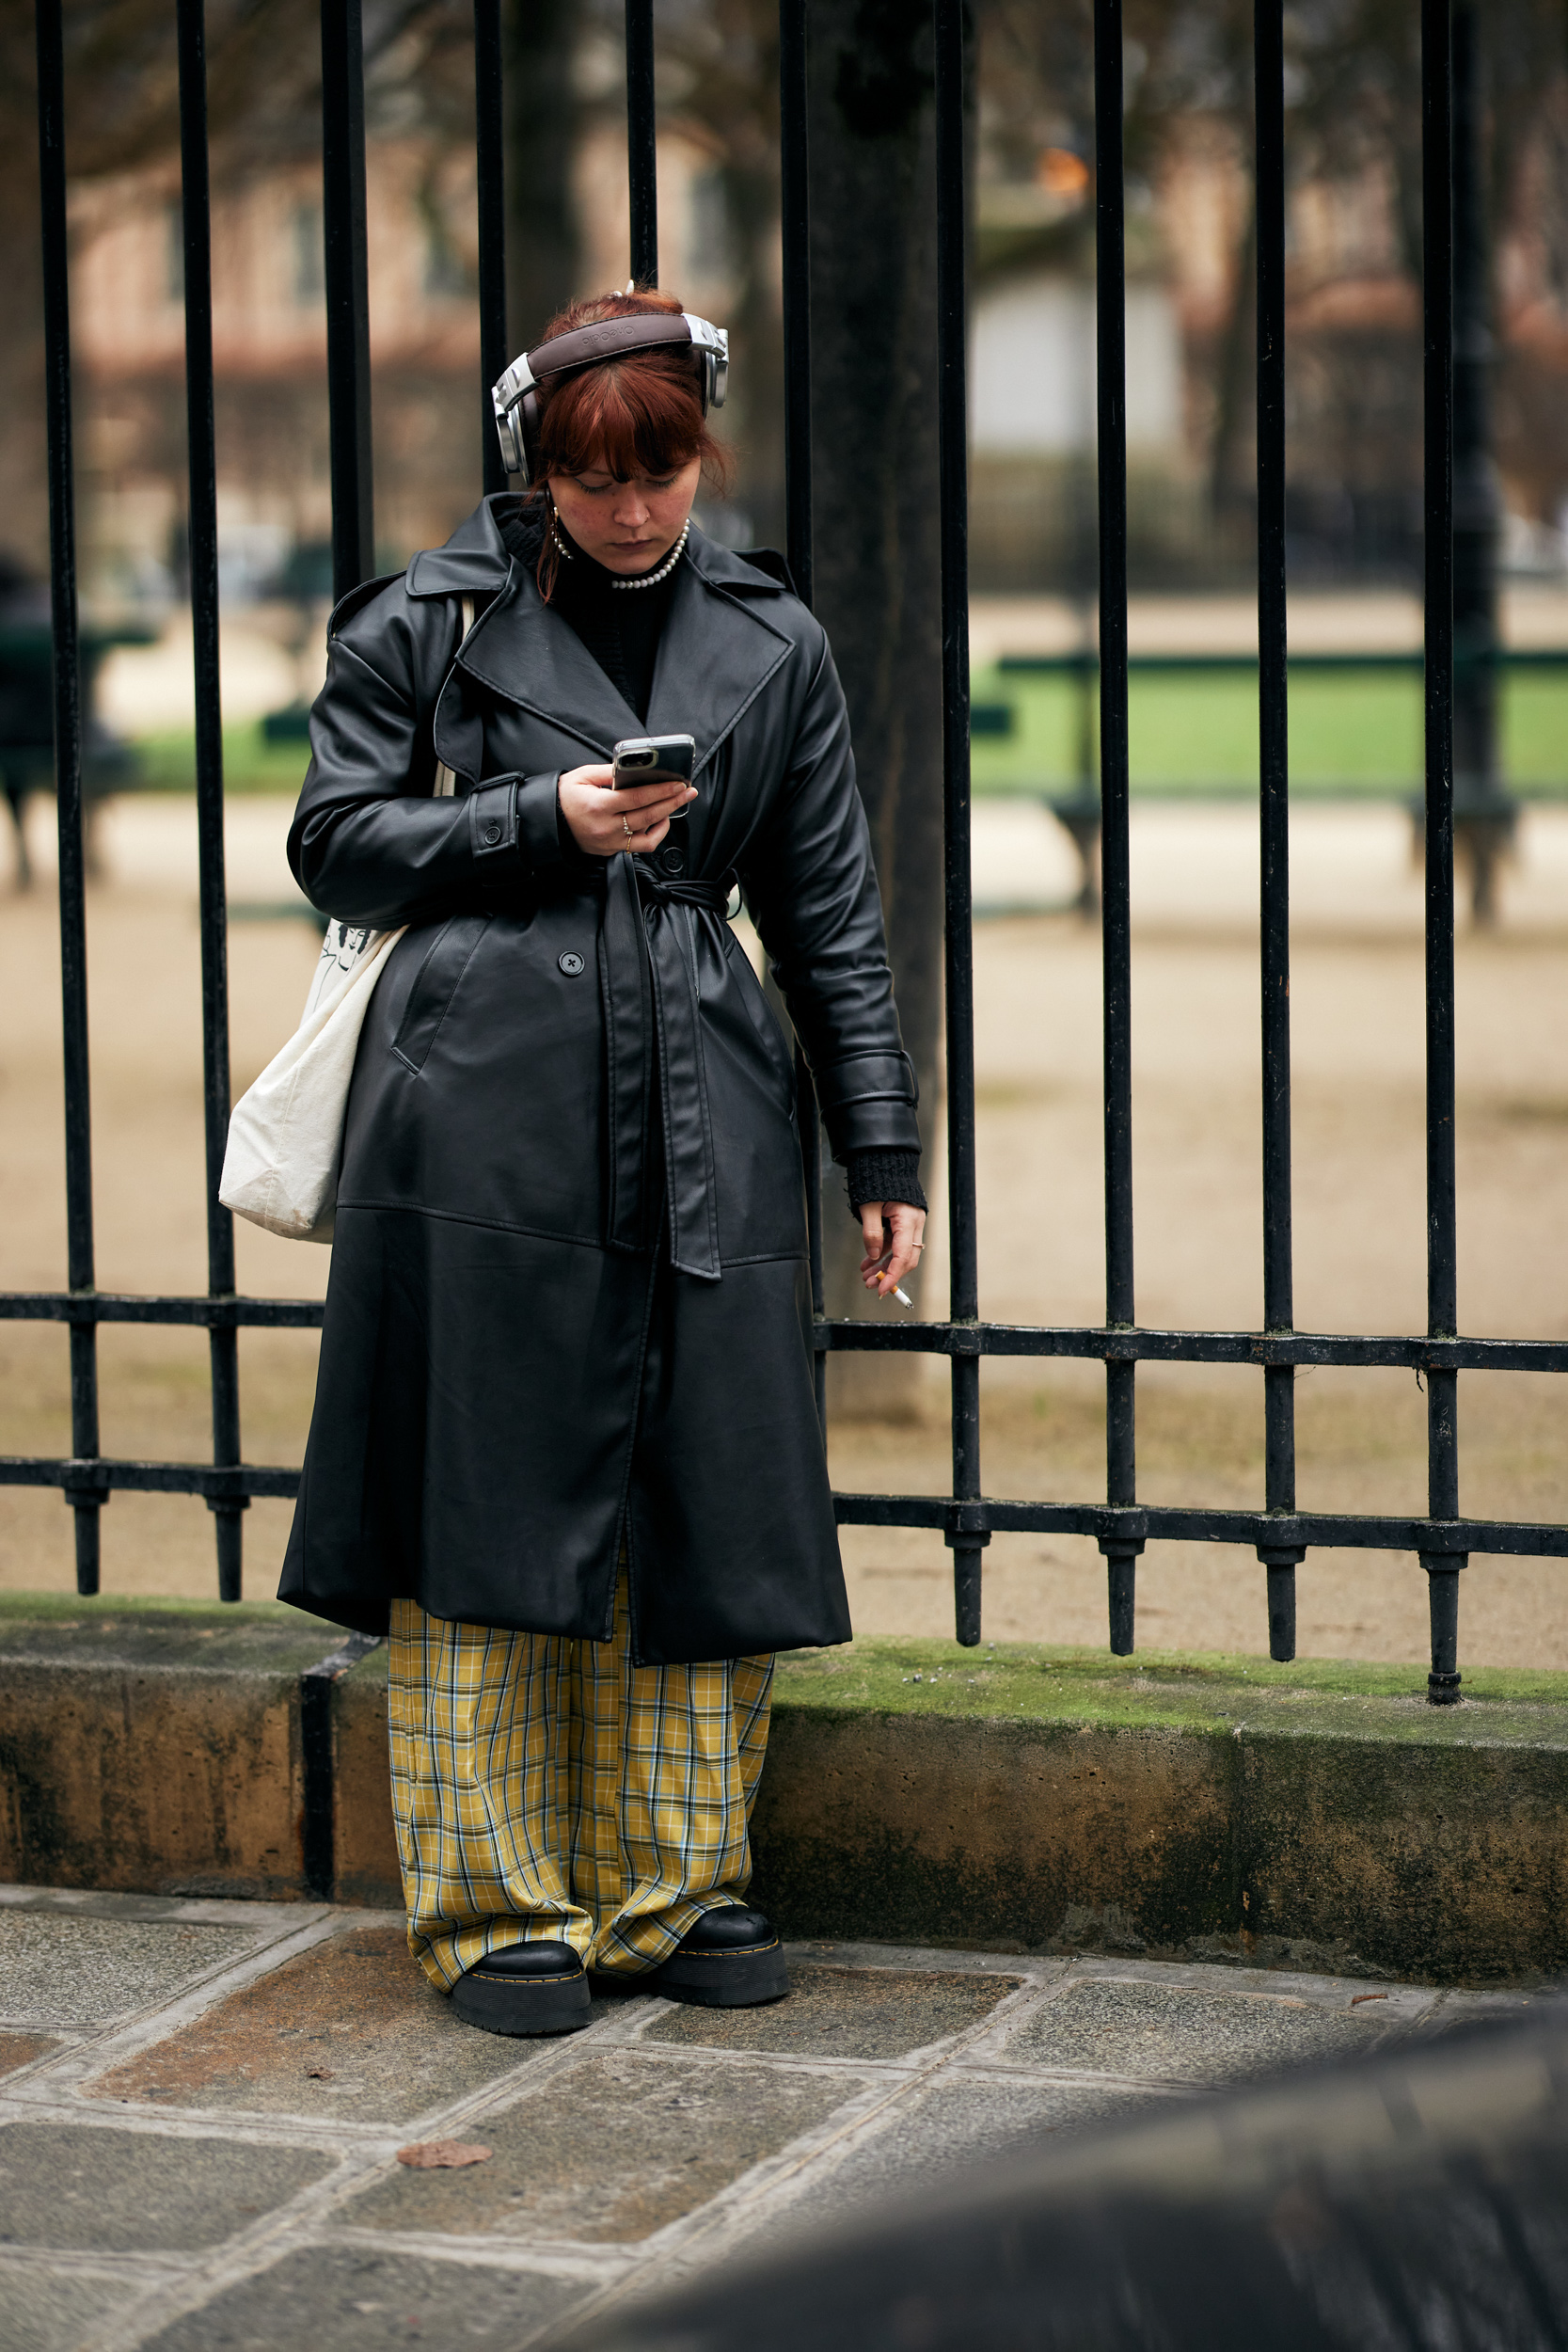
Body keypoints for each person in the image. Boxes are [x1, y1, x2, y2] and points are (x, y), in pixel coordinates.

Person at [279, 287, 927, 2035]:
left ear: (700, 451)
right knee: (482, 1494)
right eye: (594, 475)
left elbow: (832, 916)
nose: (635, 507)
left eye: (663, 469)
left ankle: (676, 1886)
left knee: (707, 1486)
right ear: (536, 464)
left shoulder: (772, 641)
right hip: (476, 1106)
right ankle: (490, 1908)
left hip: (707, 1093)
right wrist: (530, 820)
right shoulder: (428, 621)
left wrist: (883, 1144)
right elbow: (335, 846)